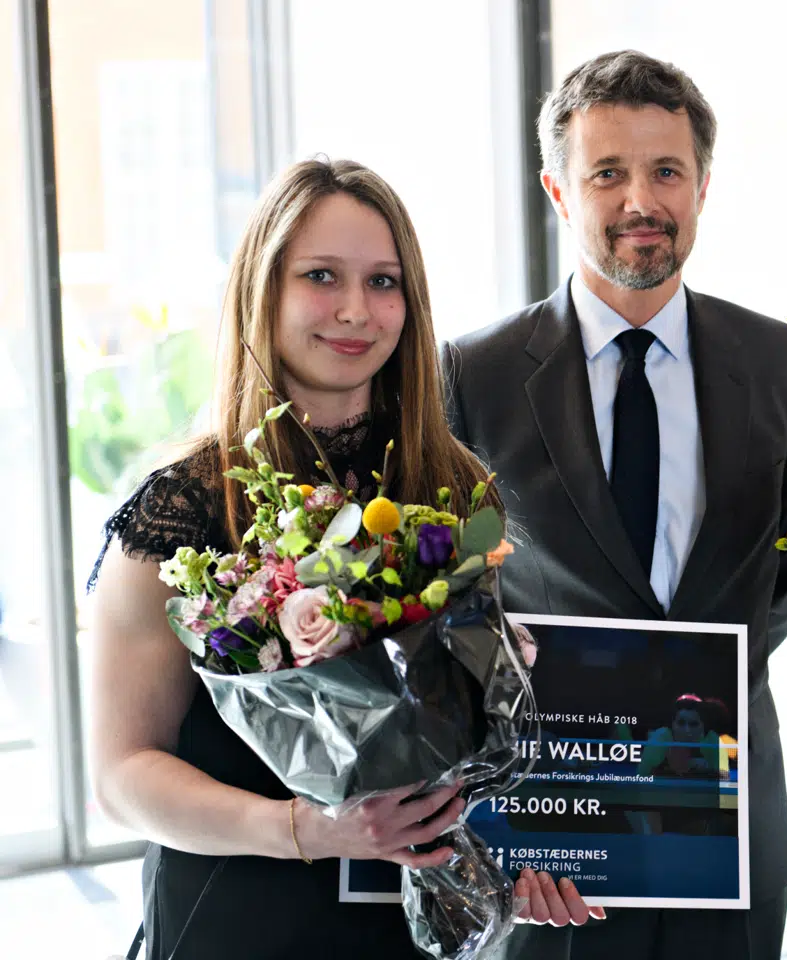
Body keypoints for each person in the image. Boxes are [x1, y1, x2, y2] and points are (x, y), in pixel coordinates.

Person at [446, 50, 787, 960]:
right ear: (559, 190)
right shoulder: (475, 374)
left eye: (666, 171)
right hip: (549, 836)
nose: (639, 201)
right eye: (607, 173)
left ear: (702, 186)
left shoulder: (777, 359)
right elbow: (452, 591)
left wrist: (688, 686)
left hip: (728, 815)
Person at [88, 159, 501, 958]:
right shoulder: (181, 504)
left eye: (385, 282)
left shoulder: (458, 488)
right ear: (262, 290)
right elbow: (121, 777)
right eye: (321, 276)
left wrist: (536, 854)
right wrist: (309, 830)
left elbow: (479, 732)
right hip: (238, 916)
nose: (356, 310)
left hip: (412, 922)